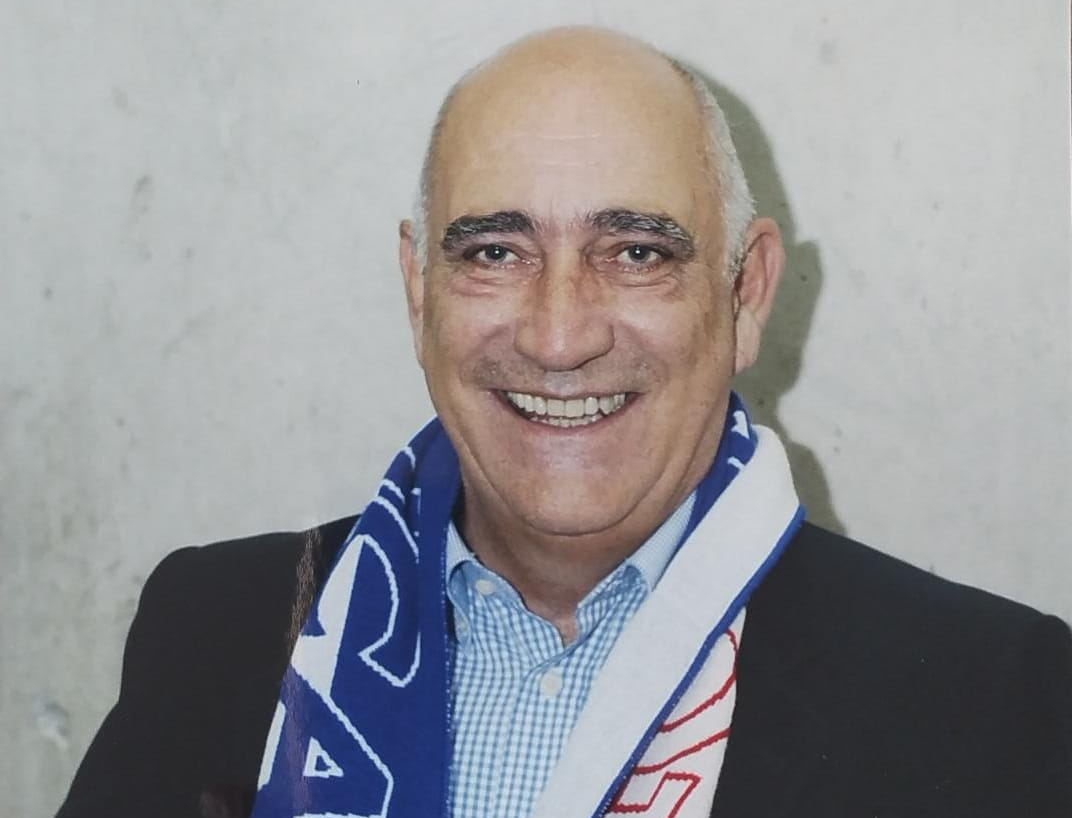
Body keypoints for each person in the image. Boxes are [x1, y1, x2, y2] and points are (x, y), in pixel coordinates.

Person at [57, 26, 1072, 818]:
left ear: (747, 291)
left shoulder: (987, 694)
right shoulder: (220, 629)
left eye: (636, 252)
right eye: (495, 252)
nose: (558, 335)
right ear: (418, 291)